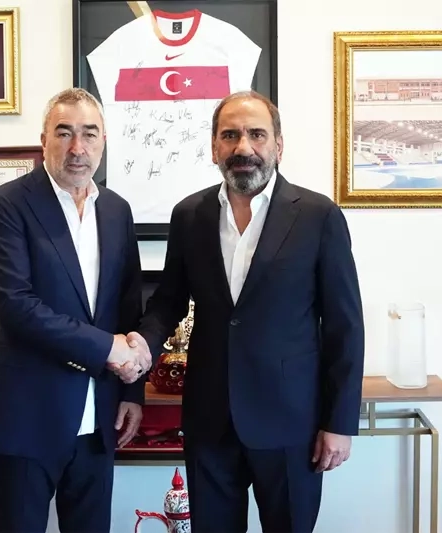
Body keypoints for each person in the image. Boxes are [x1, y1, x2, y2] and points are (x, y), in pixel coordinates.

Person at [131, 90, 366, 532]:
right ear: (214, 147)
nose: (244, 147)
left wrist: (339, 423)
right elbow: (168, 301)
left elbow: (344, 326)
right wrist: (141, 343)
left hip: (292, 423)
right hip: (210, 420)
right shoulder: (189, 215)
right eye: (230, 135)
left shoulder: (318, 216)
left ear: (279, 145)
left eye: (257, 134)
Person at [0, 87, 152, 533]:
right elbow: (17, 306)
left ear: (104, 141)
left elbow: (128, 305)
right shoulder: (7, 206)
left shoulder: (116, 210)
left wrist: (132, 393)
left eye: (89, 134)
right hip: (26, 416)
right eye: (64, 133)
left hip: (98, 418)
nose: (78, 148)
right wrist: (108, 349)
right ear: (44, 141)